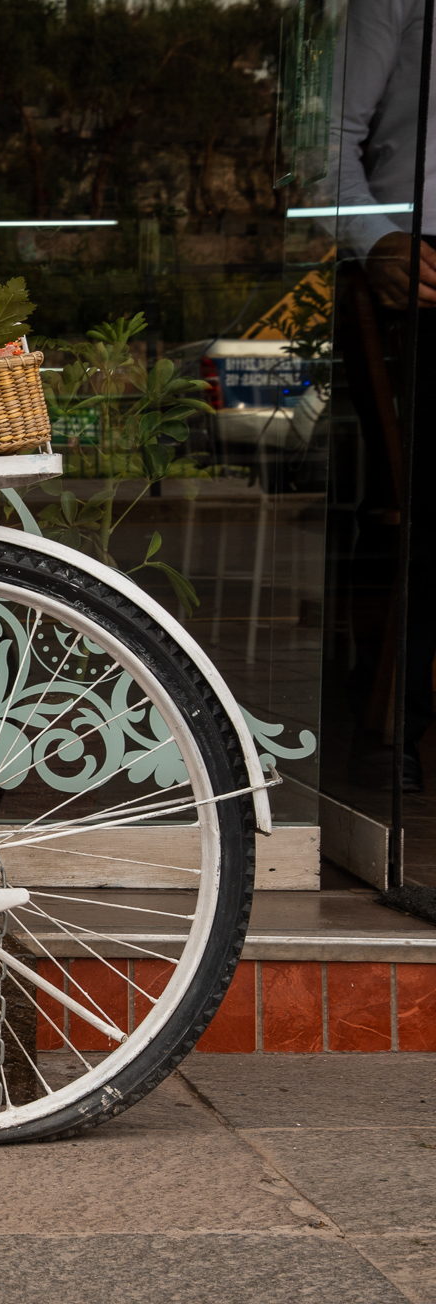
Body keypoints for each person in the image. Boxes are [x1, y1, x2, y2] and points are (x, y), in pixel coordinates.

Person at [333, 0, 436, 790]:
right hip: (420, 271)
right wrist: (376, 242)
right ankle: (396, 727)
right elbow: (323, 147)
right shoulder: (397, 6)